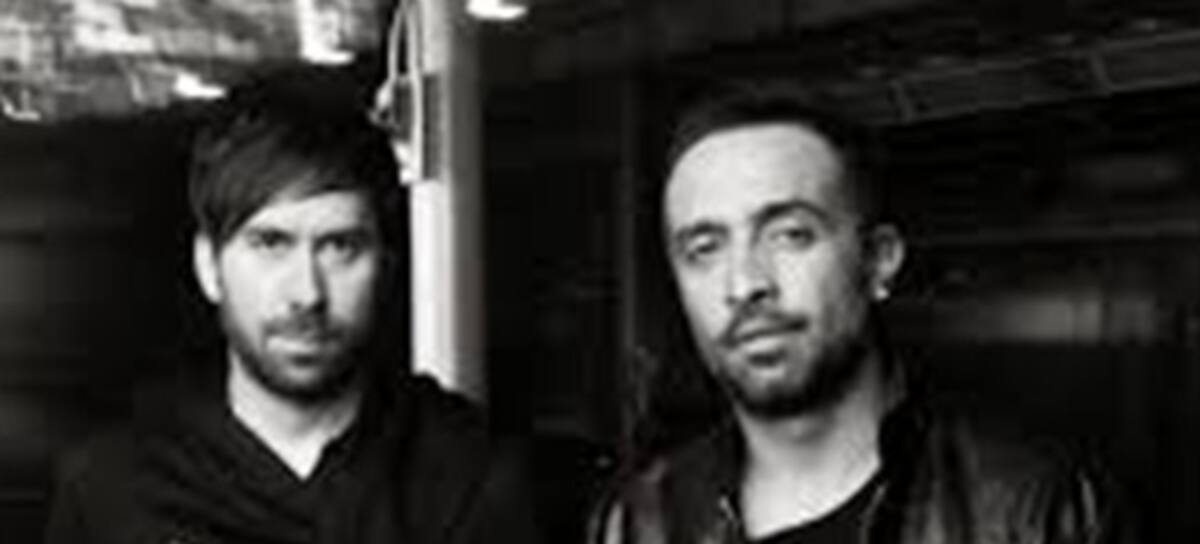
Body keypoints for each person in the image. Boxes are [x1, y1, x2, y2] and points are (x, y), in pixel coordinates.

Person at [590, 85, 1133, 544]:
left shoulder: (1041, 511)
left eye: (790, 235)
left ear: (878, 261)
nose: (745, 284)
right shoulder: (635, 524)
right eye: (704, 249)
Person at [46, 69, 538, 544]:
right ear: (209, 267)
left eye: (340, 247)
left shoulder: (469, 473)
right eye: (270, 244)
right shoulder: (115, 487)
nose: (307, 292)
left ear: (384, 265)